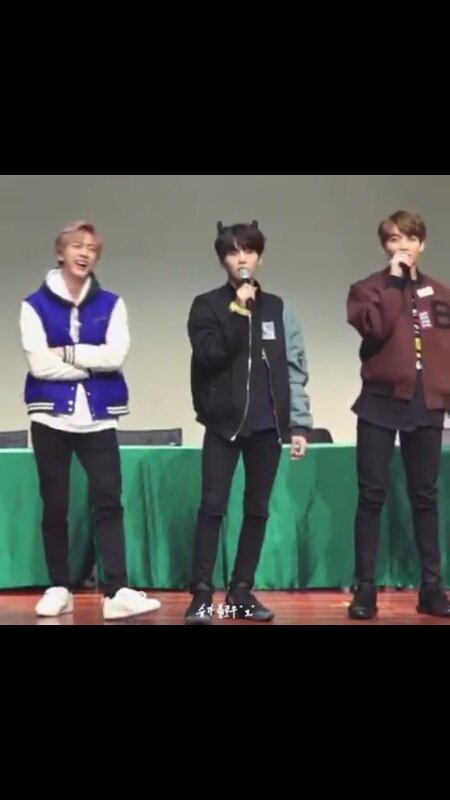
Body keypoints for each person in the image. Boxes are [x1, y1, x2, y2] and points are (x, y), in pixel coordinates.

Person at [20, 220, 161, 620]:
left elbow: (115, 356)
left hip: (98, 420)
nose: (84, 254)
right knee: (55, 505)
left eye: (92, 249)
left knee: (108, 502)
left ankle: (116, 590)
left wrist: (66, 353)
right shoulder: (33, 305)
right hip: (50, 418)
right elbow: (39, 365)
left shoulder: (112, 304)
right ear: (60, 252)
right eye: (77, 246)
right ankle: (58, 586)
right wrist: (90, 363)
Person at [184, 219, 313, 624]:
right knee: (212, 507)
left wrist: (298, 425)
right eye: (233, 252)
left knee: (257, 510)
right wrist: (238, 311)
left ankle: (241, 591)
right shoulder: (207, 305)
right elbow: (209, 356)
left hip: (267, 428)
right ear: (222, 260)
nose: (242, 258)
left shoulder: (277, 307)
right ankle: (201, 593)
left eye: (250, 250)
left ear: (260, 257)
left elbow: (294, 368)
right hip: (223, 426)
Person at [346, 209, 450, 619]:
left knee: (425, 497)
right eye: (394, 239)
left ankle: (432, 588)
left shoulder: (441, 293)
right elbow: (375, 329)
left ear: (422, 244)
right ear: (384, 247)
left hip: (427, 403)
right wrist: (392, 283)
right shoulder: (366, 289)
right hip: (380, 401)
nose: (403, 245)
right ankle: (365, 590)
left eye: (410, 238)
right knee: (371, 496)